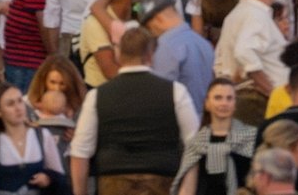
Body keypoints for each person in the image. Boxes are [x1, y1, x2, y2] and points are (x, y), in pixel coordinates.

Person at [69, 26, 203, 195]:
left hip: (113, 183)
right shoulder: (176, 92)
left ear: (118, 55)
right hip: (161, 181)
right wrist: (187, 191)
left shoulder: (97, 96)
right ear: (150, 55)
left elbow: (80, 152)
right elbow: (194, 146)